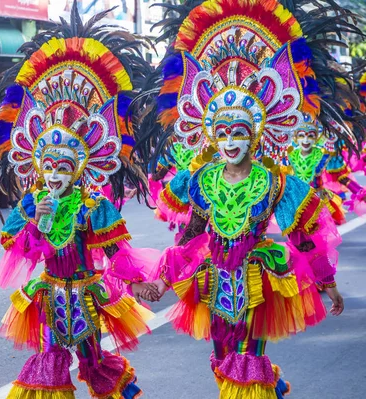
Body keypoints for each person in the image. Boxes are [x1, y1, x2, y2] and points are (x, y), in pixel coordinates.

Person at [134, 1, 358, 397]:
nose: (231, 141)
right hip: (214, 280)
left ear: (254, 134)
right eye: (223, 133)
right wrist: (162, 280)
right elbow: (191, 235)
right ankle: (274, 386)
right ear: (212, 136)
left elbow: (304, 236)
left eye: (239, 132)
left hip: (257, 279)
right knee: (223, 363)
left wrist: (328, 283)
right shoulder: (201, 180)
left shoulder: (275, 182)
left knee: (246, 362)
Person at [0, 4, 156, 398]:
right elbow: (14, 247)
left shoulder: (94, 206)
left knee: (94, 360)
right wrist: (34, 220)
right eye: (48, 167)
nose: (54, 176)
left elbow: (117, 251)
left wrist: (140, 284)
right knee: (48, 361)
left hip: (86, 293)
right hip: (48, 294)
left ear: (79, 169)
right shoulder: (31, 202)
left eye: (63, 168)